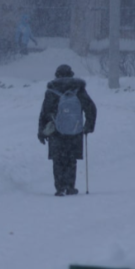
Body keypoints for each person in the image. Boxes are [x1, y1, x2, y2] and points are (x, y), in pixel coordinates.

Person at [37, 64, 97, 196]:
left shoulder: (52, 90)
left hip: (56, 131)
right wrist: (88, 126)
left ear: (57, 75)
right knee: (71, 159)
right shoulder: (79, 89)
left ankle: (60, 188)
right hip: (75, 130)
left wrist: (42, 131)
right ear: (71, 75)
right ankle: (70, 186)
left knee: (57, 160)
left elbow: (44, 112)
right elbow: (91, 108)